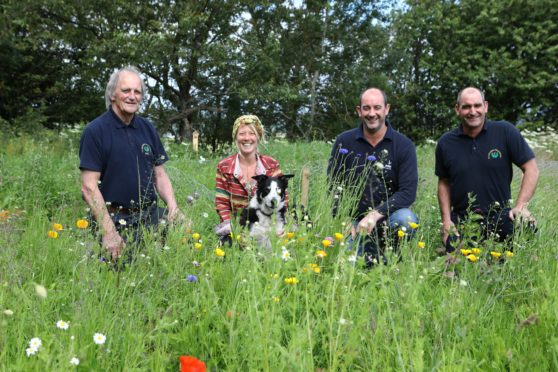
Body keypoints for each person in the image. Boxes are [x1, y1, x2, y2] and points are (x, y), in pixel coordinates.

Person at [79, 66, 183, 261]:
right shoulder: (95, 131)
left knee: (183, 245)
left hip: (149, 215)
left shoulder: (147, 128)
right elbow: (88, 187)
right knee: (123, 273)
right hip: (114, 219)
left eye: (137, 92)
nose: (132, 96)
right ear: (112, 95)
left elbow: (159, 174)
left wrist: (173, 207)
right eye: (126, 90)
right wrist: (109, 232)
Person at [435, 86, 539, 252]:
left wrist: (521, 206)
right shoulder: (446, 143)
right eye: (466, 107)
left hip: (501, 216)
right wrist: (447, 221)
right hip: (464, 219)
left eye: (477, 105)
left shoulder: (505, 131)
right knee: (457, 264)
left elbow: (531, 168)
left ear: (485, 106)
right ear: (457, 110)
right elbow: (444, 182)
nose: (473, 111)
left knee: (527, 230)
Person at [328, 87, 419, 265]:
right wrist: (342, 218)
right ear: (359, 111)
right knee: (349, 266)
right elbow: (333, 185)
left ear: (387, 109)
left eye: (377, 108)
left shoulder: (403, 145)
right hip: (354, 222)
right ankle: (367, 254)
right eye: (366, 108)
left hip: (389, 218)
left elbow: (408, 192)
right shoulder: (344, 142)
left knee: (407, 219)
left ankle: (391, 252)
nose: (372, 113)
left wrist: (376, 214)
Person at [215, 115, 285, 243]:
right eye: (242, 133)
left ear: (258, 137)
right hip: (235, 227)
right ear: (235, 137)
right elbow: (222, 203)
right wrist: (235, 230)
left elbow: (282, 200)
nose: (247, 138)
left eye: (251, 133)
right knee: (223, 253)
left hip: (266, 226)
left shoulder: (271, 165)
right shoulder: (224, 166)